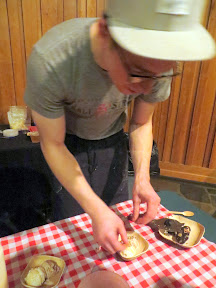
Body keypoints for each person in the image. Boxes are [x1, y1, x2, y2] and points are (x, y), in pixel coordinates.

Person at [24, 0, 215, 254]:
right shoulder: (52, 59)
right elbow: (53, 143)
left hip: (113, 140)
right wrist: (95, 209)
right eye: (137, 72)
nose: (147, 88)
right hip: (65, 145)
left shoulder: (155, 63)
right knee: (75, 233)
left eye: (158, 76)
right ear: (105, 33)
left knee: (119, 230)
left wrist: (143, 179)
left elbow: (141, 121)